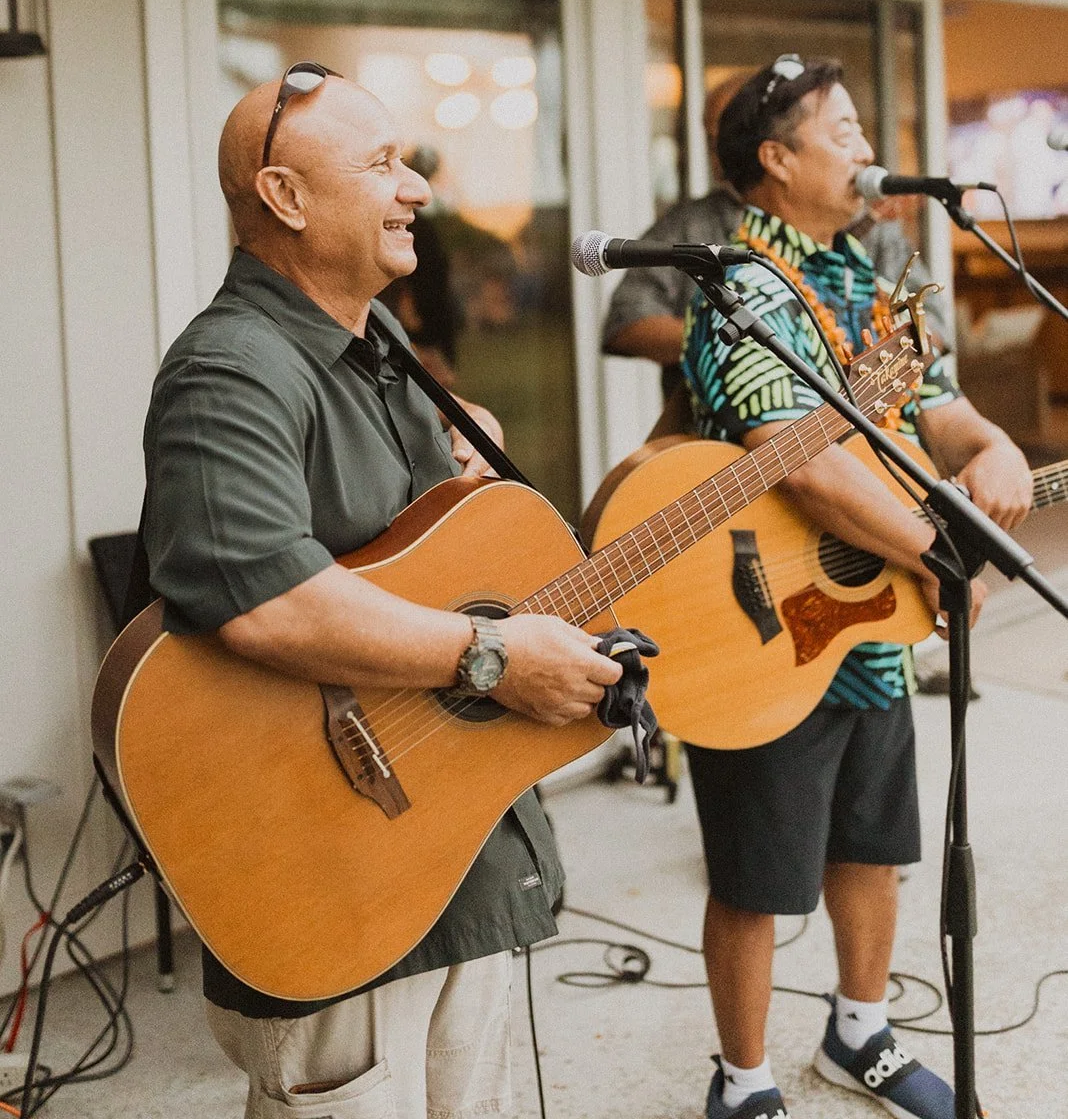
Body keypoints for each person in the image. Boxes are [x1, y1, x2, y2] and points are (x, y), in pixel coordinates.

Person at [141, 62, 621, 1119]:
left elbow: (397, 539)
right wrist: (492, 656)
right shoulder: (230, 370)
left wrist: (468, 450)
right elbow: (266, 598)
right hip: (326, 869)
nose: (418, 189)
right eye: (382, 164)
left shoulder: (379, 339)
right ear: (285, 197)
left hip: (447, 844)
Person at [679, 56, 1032, 1119]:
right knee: (755, 874)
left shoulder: (872, 282)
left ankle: (860, 1032)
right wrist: (937, 549)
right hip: (756, 621)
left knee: (874, 846)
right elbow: (796, 457)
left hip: (867, 619)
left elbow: (938, 409)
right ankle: (742, 1080)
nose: (868, 149)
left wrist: (995, 446)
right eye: (841, 130)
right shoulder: (743, 284)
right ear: (777, 160)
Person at [602, 73, 944, 402]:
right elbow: (626, 324)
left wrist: (860, 370)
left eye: (734, 133)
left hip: (870, 420)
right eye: (713, 137)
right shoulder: (690, 224)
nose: (722, 148)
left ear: (773, 149)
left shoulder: (866, 224)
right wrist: (745, 340)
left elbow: (933, 327)